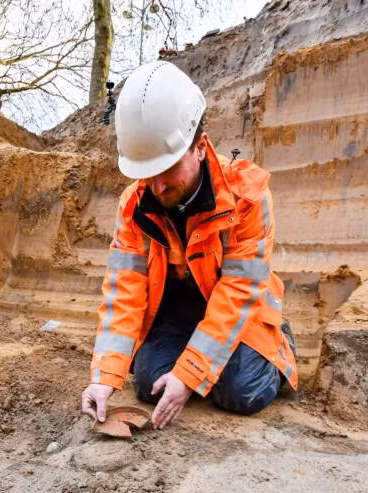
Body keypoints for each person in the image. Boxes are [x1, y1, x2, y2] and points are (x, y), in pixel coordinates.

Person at [80, 60, 297, 430]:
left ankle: (275, 346)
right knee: (150, 383)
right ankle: (198, 361)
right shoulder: (133, 206)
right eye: (148, 174)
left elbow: (239, 290)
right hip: (177, 317)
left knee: (242, 393)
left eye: (168, 170)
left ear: (200, 147)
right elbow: (124, 293)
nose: (158, 187)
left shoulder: (248, 197)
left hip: (237, 309)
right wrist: (105, 375)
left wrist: (192, 373)